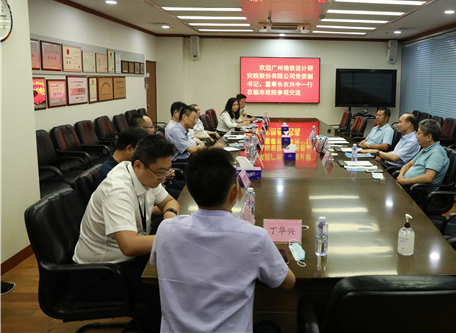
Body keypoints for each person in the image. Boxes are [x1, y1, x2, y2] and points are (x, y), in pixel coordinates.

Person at [150, 148, 295, 333]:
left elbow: (156, 264)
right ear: (234, 193)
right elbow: (287, 282)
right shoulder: (255, 237)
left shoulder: (166, 230)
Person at [73, 135, 180, 332]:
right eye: (160, 172)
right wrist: (173, 236)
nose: (164, 177)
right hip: (100, 272)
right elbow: (129, 246)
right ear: (138, 165)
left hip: (124, 259)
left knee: (175, 272)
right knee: (168, 289)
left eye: (167, 171)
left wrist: (169, 218)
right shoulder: (118, 189)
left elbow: (170, 202)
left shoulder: (145, 176)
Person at [396, 118, 449, 188]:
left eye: (419, 133)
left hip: (418, 190)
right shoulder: (426, 149)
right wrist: (401, 176)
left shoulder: (436, 153)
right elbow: (408, 165)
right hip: (407, 185)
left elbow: (428, 178)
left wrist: (405, 181)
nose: (416, 136)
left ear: (429, 137)